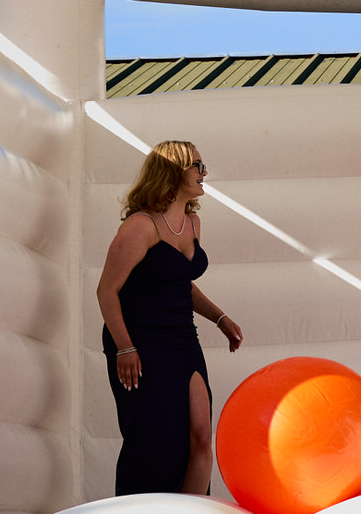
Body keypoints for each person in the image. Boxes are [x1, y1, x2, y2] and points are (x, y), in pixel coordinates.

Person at [96, 139, 243, 496]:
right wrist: (125, 348)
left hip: (182, 338)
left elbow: (180, 283)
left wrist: (219, 318)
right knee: (153, 442)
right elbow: (106, 291)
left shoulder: (192, 222)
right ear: (172, 172)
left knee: (200, 439)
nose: (203, 173)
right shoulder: (140, 227)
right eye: (197, 166)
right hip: (139, 342)